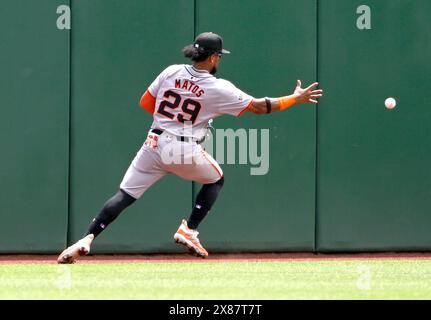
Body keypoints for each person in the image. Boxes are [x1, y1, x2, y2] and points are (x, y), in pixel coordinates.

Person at [57, 32, 323, 263]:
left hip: (153, 143)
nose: (219, 60)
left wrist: (171, 119)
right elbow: (259, 107)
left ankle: (86, 239)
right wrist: (294, 99)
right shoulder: (218, 87)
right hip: (183, 148)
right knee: (216, 179)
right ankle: (189, 230)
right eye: (219, 56)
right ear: (214, 57)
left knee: (124, 195)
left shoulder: (170, 71)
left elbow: (146, 103)